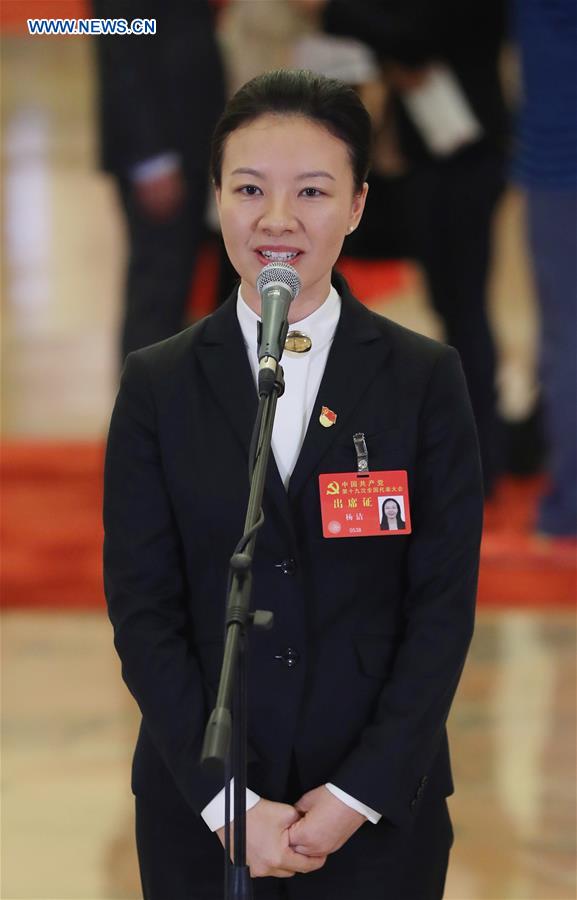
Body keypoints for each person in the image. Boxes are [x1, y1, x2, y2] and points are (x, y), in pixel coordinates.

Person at [103, 69, 483, 899]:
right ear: (216, 198)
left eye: (312, 191)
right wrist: (226, 803)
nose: (277, 220)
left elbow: (442, 609)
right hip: (201, 815)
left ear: (356, 205)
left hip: (377, 816)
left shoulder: (423, 380)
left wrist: (356, 796)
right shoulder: (158, 385)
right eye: (249, 189)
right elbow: (142, 610)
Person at [92, 0, 226, 363]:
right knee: (158, 292)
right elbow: (122, 45)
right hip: (162, 150)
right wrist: (150, 158)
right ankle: (143, 399)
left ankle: (167, 395)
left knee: (179, 289)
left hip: (191, 139)